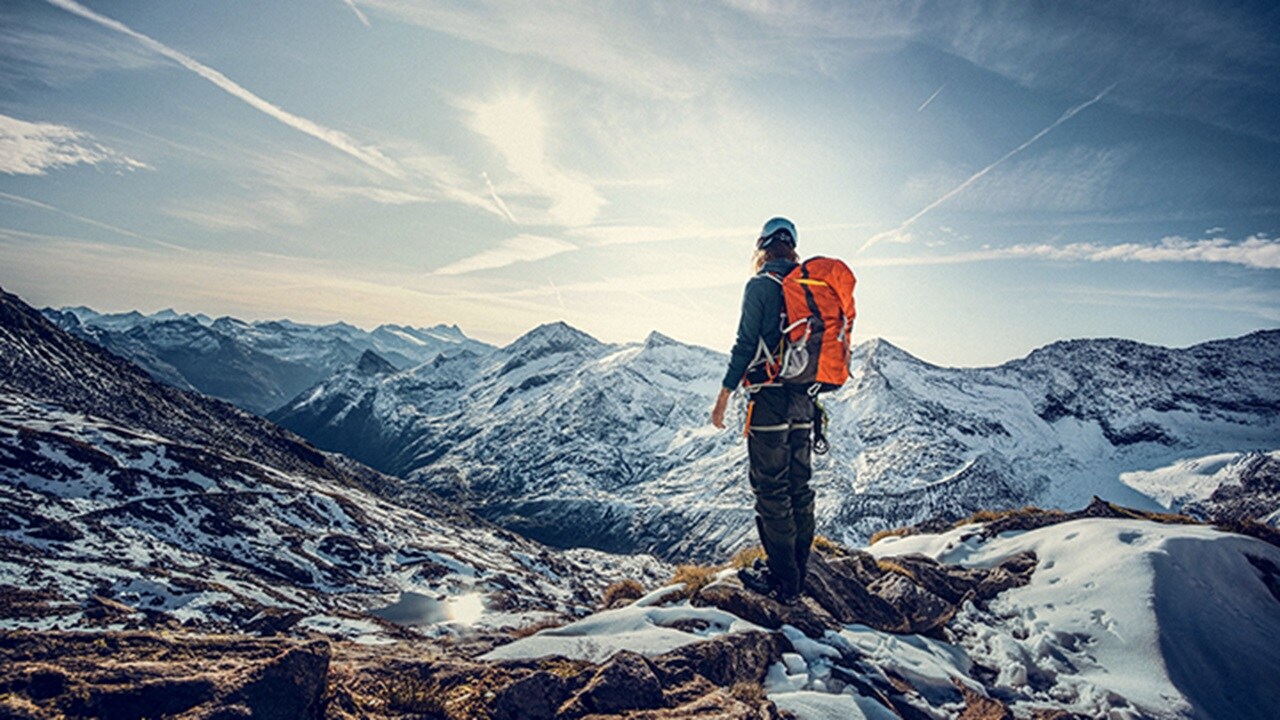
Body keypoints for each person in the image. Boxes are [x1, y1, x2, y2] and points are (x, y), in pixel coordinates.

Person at [711, 216, 815, 604]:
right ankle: (798, 574)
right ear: (792, 246)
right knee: (799, 487)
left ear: (762, 246)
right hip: (805, 399)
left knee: (772, 490)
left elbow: (744, 343)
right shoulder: (810, 287)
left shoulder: (760, 285)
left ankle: (784, 582)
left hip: (769, 399)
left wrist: (724, 395)